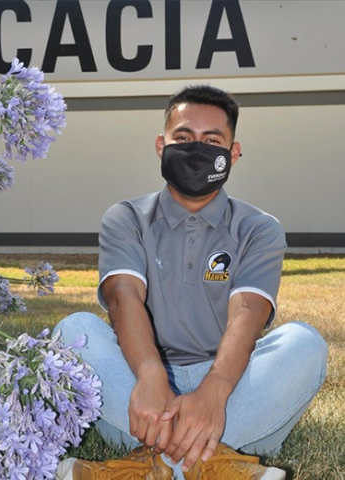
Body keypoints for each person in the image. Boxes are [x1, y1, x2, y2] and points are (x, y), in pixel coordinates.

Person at [55, 85, 328, 480]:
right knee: (73, 330)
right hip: (138, 387)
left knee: (305, 344)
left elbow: (248, 312)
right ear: (161, 145)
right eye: (183, 138)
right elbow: (123, 296)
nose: (196, 149)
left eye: (211, 140)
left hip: (230, 388)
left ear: (233, 153)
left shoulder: (259, 228)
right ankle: (216, 463)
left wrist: (214, 392)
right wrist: (150, 376)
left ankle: (148, 462)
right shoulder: (126, 217)